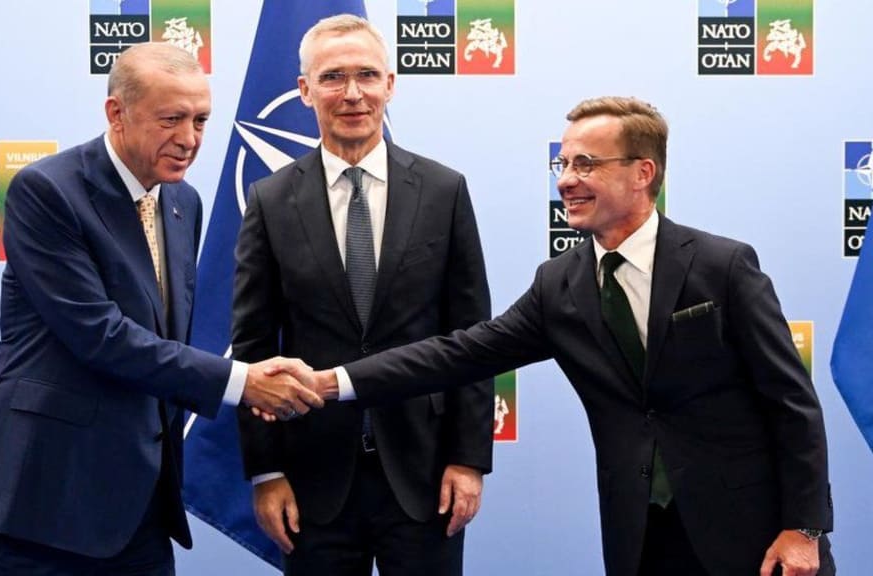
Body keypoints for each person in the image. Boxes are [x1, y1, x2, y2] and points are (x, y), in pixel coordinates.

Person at [293, 97, 835, 576]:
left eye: (586, 164)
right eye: (564, 163)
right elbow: (458, 354)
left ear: (642, 172)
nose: (566, 180)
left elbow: (792, 403)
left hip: (758, 538)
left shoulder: (723, 267)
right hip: (639, 540)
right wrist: (332, 382)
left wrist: (805, 528)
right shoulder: (559, 285)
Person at [0, 43, 322, 575]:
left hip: (136, 512)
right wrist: (243, 382)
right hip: (34, 509)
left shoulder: (182, 202)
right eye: (171, 119)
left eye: (200, 120)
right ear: (116, 113)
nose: (189, 139)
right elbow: (100, 336)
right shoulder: (47, 191)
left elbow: (164, 339)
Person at [233, 14, 493, 576]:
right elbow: (253, 349)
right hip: (313, 483)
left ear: (390, 84)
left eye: (367, 75)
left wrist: (469, 459)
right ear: (305, 91)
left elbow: (472, 339)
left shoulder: (444, 191)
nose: (352, 93)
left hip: (425, 478)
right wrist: (266, 472)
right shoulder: (270, 201)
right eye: (332, 77)